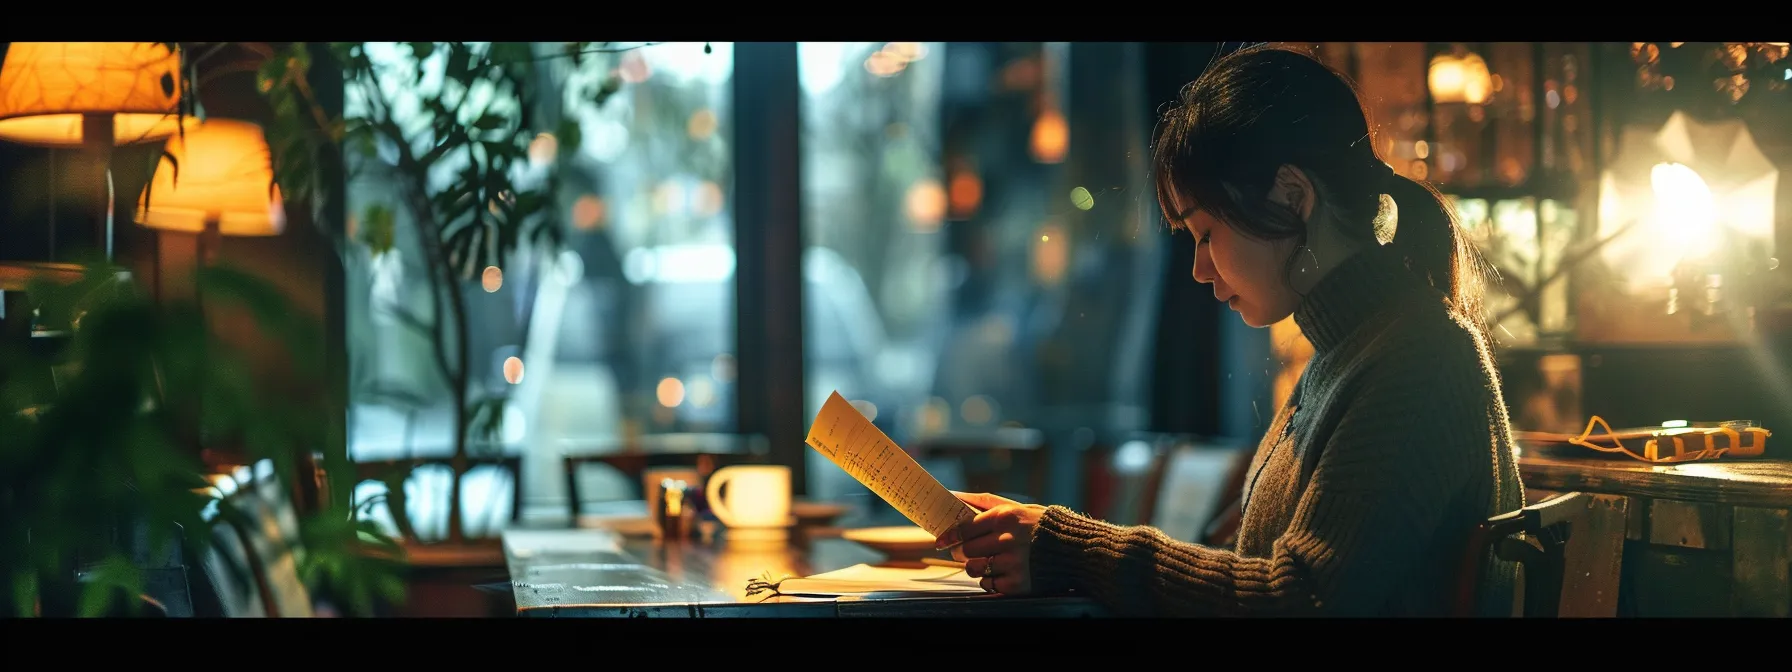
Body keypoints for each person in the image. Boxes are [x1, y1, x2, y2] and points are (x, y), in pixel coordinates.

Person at [934, 45, 1526, 617]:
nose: (1198, 269)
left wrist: (1069, 551)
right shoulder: (1345, 357)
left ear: (1293, 197)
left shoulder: (1417, 361)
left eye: (1206, 233)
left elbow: (1300, 599)